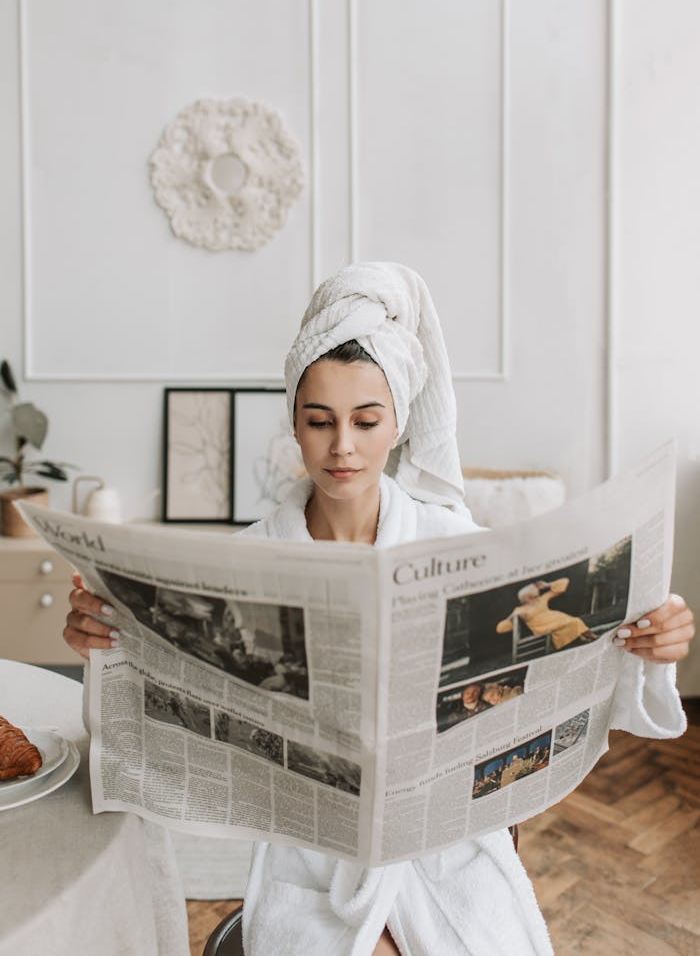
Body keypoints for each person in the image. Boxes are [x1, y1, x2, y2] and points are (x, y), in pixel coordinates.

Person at [63, 262, 695, 956]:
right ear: (294, 427)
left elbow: (571, 651)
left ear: (396, 424)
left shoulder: (458, 544)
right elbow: (167, 688)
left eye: (366, 421)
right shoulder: (244, 561)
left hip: (448, 848)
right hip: (312, 854)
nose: (342, 446)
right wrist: (106, 638)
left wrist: (649, 636)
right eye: (319, 421)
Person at [496, 577, 598, 652]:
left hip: (555, 617)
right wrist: (511, 618)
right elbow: (500, 629)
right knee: (573, 621)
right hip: (541, 626)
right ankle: (592, 637)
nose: (537, 590)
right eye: (534, 589)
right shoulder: (519, 609)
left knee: (573, 621)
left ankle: (591, 636)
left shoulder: (541, 599)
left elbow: (564, 583)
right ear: (527, 596)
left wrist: (548, 584)